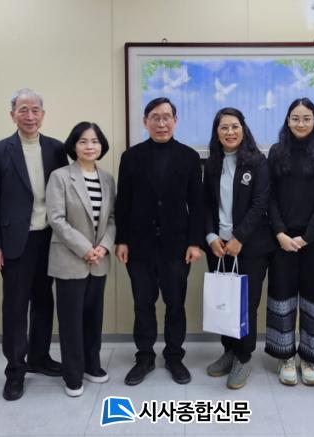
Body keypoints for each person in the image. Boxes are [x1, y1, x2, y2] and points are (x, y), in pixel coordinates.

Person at [0, 88, 68, 401]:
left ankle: (39, 357)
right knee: (16, 307)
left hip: (49, 238)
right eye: (23, 110)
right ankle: (15, 369)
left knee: (45, 301)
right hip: (15, 241)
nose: (29, 116)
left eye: (35, 110)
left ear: (42, 115)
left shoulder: (56, 148)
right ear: (13, 115)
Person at [115, 97, 204, 386]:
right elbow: (123, 202)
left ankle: (174, 356)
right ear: (145, 122)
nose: (161, 123)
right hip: (138, 245)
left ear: (175, 121)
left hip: (176, 246)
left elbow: (197, 204)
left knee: (175, 304)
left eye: (167, 117)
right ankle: (144, 357)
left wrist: (195, 242)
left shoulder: (189, 157)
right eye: (155, 117)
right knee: (143, 303)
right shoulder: (131, 157)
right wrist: (121, 240)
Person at [265, 98, 314, 386]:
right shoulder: (277, 151)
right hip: (281, 240)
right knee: (282, 295)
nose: (300, 123)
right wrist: (280, 233)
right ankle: (285, 356)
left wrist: (307, 236)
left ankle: (309, 358)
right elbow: (269, 196)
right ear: (287, 121)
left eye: (306, 118)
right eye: (295, 118)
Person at [202, 107, 274, 389]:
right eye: (224, 127)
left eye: (234, 126)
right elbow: (206, 204)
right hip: (218, 246)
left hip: (251, 247)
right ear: (217, 132)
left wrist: (239, 237)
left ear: (243, 129)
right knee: (224, 301)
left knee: (245, 304)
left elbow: (261, 203)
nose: (230, 132)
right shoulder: (212, 163)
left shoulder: (257, 162)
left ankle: (244, 356)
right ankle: (229, 351)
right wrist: (211, 236)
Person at [46, 122, 115, 397]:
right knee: (71, 321)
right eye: (83, 141)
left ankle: (91, 365)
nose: (89, 146)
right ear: (73, 146)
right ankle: (73, 374)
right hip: (70, 259)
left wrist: (104, 248)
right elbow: (56, 219)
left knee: (93, 318)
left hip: (99, 260)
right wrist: (86, 248)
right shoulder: (60, 176)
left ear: (102, 146)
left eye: (95, 141)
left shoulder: (107, 178)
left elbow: (112, 219)